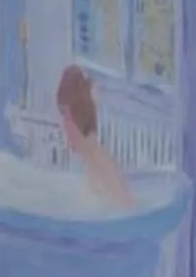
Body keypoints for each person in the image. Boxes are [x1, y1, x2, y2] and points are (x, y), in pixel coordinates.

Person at [55, 63, 136, 209]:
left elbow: (127, 211)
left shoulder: (102, 165)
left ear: (79, 115)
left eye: (66, 114)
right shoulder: (93, 164)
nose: (64, 125)